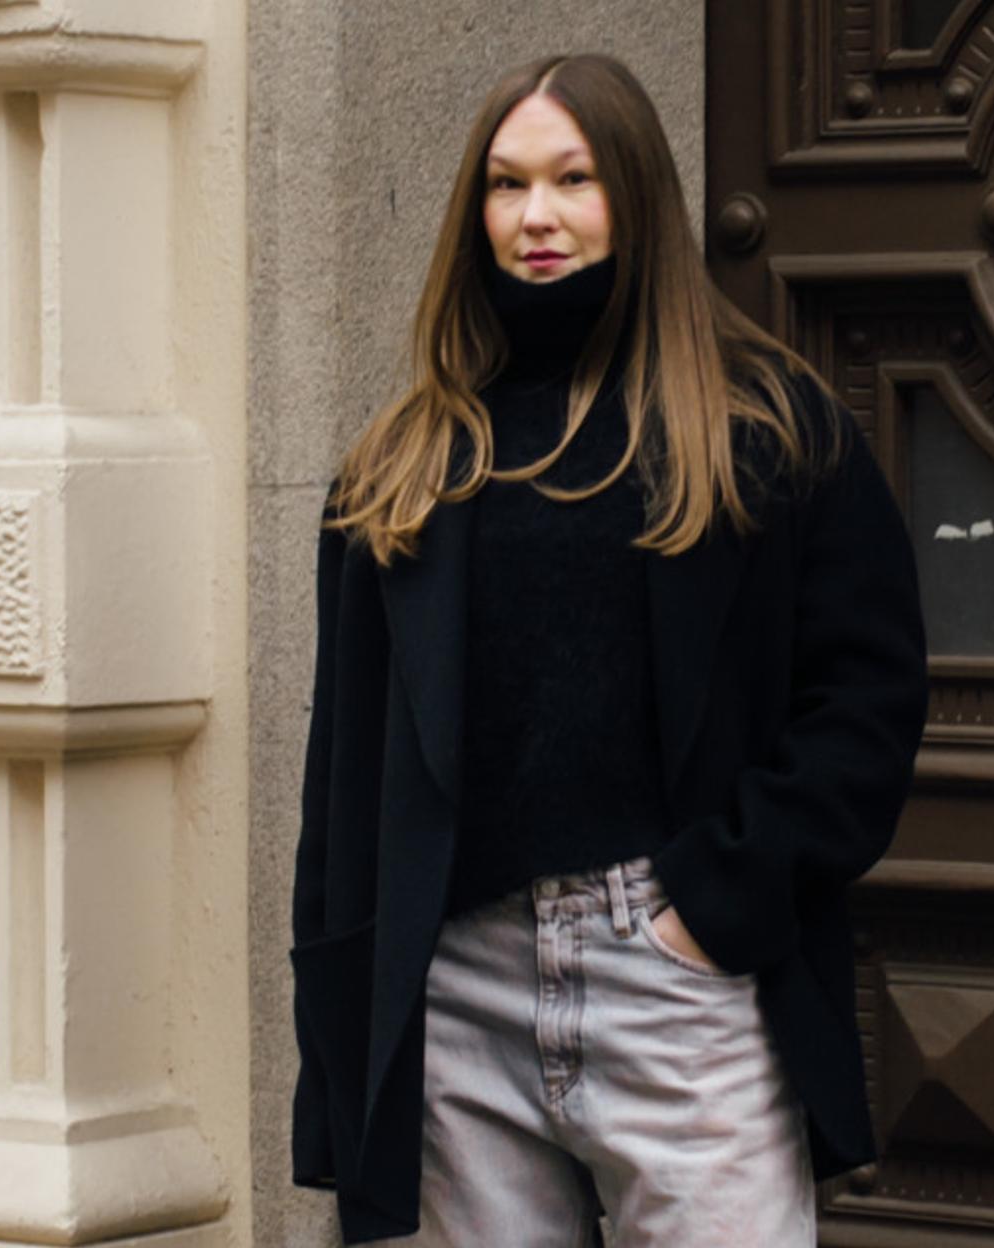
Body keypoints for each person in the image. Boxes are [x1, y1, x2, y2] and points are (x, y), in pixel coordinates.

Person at [289, 52, 928, 1247]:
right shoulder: (401, 467)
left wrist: (712, 904)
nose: (536, 217)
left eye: (574, 180)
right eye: (507, 184)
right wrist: (343, 1040)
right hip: (458, 991)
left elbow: (867, 705)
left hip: (679, 979)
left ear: (635, 195)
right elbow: (345, 789)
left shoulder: (767, 432)